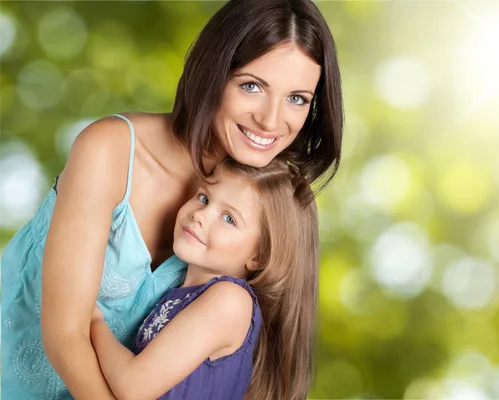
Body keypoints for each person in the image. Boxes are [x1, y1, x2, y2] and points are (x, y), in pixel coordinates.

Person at [1, 0, 343, 398]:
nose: (270, 120)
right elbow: (65, 334)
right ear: (212, 74)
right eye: (252, 86)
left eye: (297, 98)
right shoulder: (110, 150)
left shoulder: (273, 206)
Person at [90, 156, 318, 400]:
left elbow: (132, 387)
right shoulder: (183, 291)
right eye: (204, 198)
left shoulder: (230, 301)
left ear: (259, 257)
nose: (201, 215)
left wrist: (93, 321)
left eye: (229, 218)